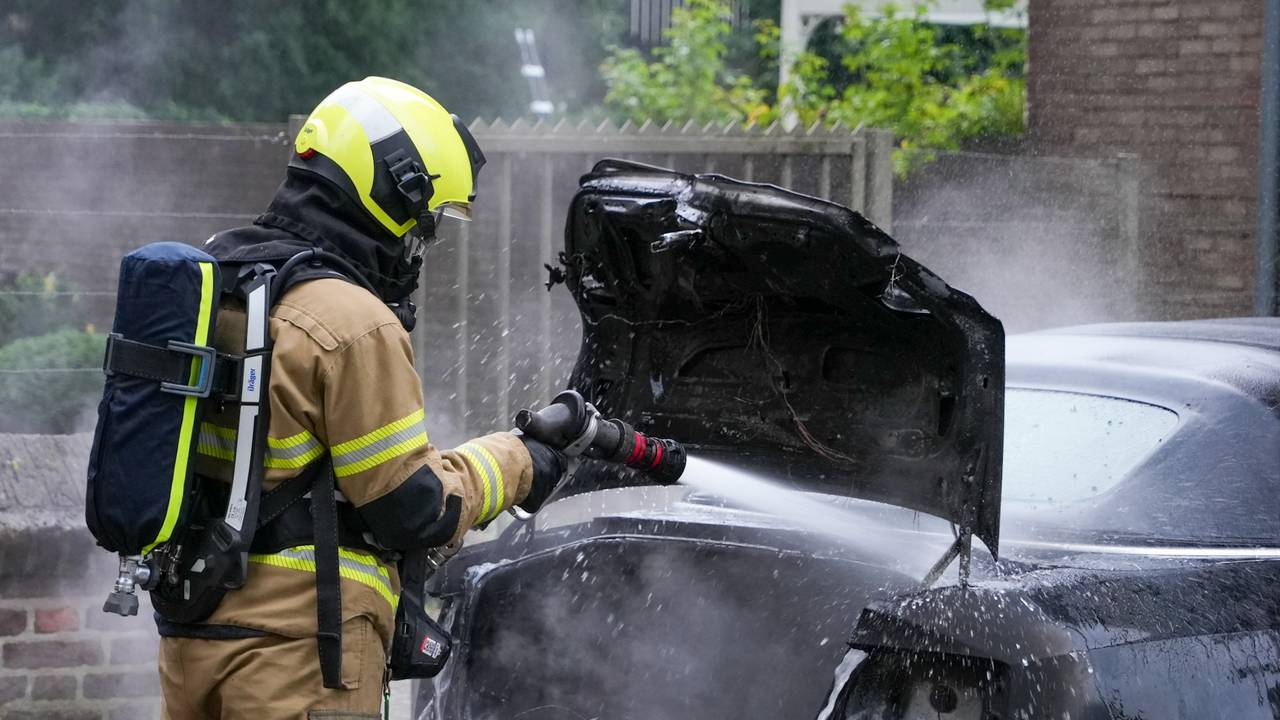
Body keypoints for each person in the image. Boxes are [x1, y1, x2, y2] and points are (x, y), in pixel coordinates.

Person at [156, 77, 566, 719]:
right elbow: (411, 508)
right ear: (389, 191)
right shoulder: (350, 320)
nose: (417, 246)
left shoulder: (221, 282)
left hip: (196, 644)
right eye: (422, 223)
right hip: (298, 661)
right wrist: (519, 462)